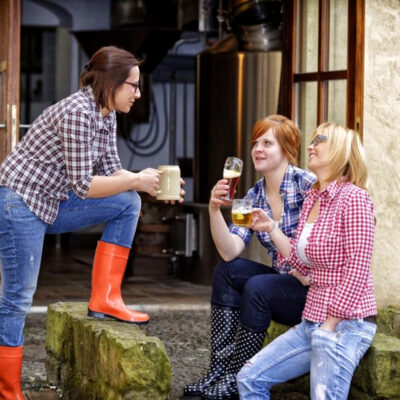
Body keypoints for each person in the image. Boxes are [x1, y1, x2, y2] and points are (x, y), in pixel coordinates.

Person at [0, 46, 184, 399]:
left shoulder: (105, 112)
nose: (138, 93)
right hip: (19, 203)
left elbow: (112, 171)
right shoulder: (78, 113)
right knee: (18, 298)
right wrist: (134, 180)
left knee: (127, 202)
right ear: (112, 83)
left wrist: (153, 184)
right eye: (133, 85)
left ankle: (105, 298)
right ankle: (8, 390)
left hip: (51, 201)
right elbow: (85, 186)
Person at [237, 122, 377, 399]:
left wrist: (330, 324)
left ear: (339, 150)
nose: (310, 146)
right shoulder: (314, 197)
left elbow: (358, 268)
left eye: (319, 140)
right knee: (249, 378)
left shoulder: (355, 198)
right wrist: (271, 228)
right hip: (312, 320)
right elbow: (301, 266)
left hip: (346, 324)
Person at [184, 115, 315, 400]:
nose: (257, 149)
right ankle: (218, 370)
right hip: (283, 284)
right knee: (227, 271)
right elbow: (230, 249)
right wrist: (214, 210)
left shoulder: (308, 186)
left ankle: (235, 378)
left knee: (258, 288)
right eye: (256, 142)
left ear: (287, 149)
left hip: (312, 290)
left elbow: (322, 247)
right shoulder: (255, 194)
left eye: (267, 143)